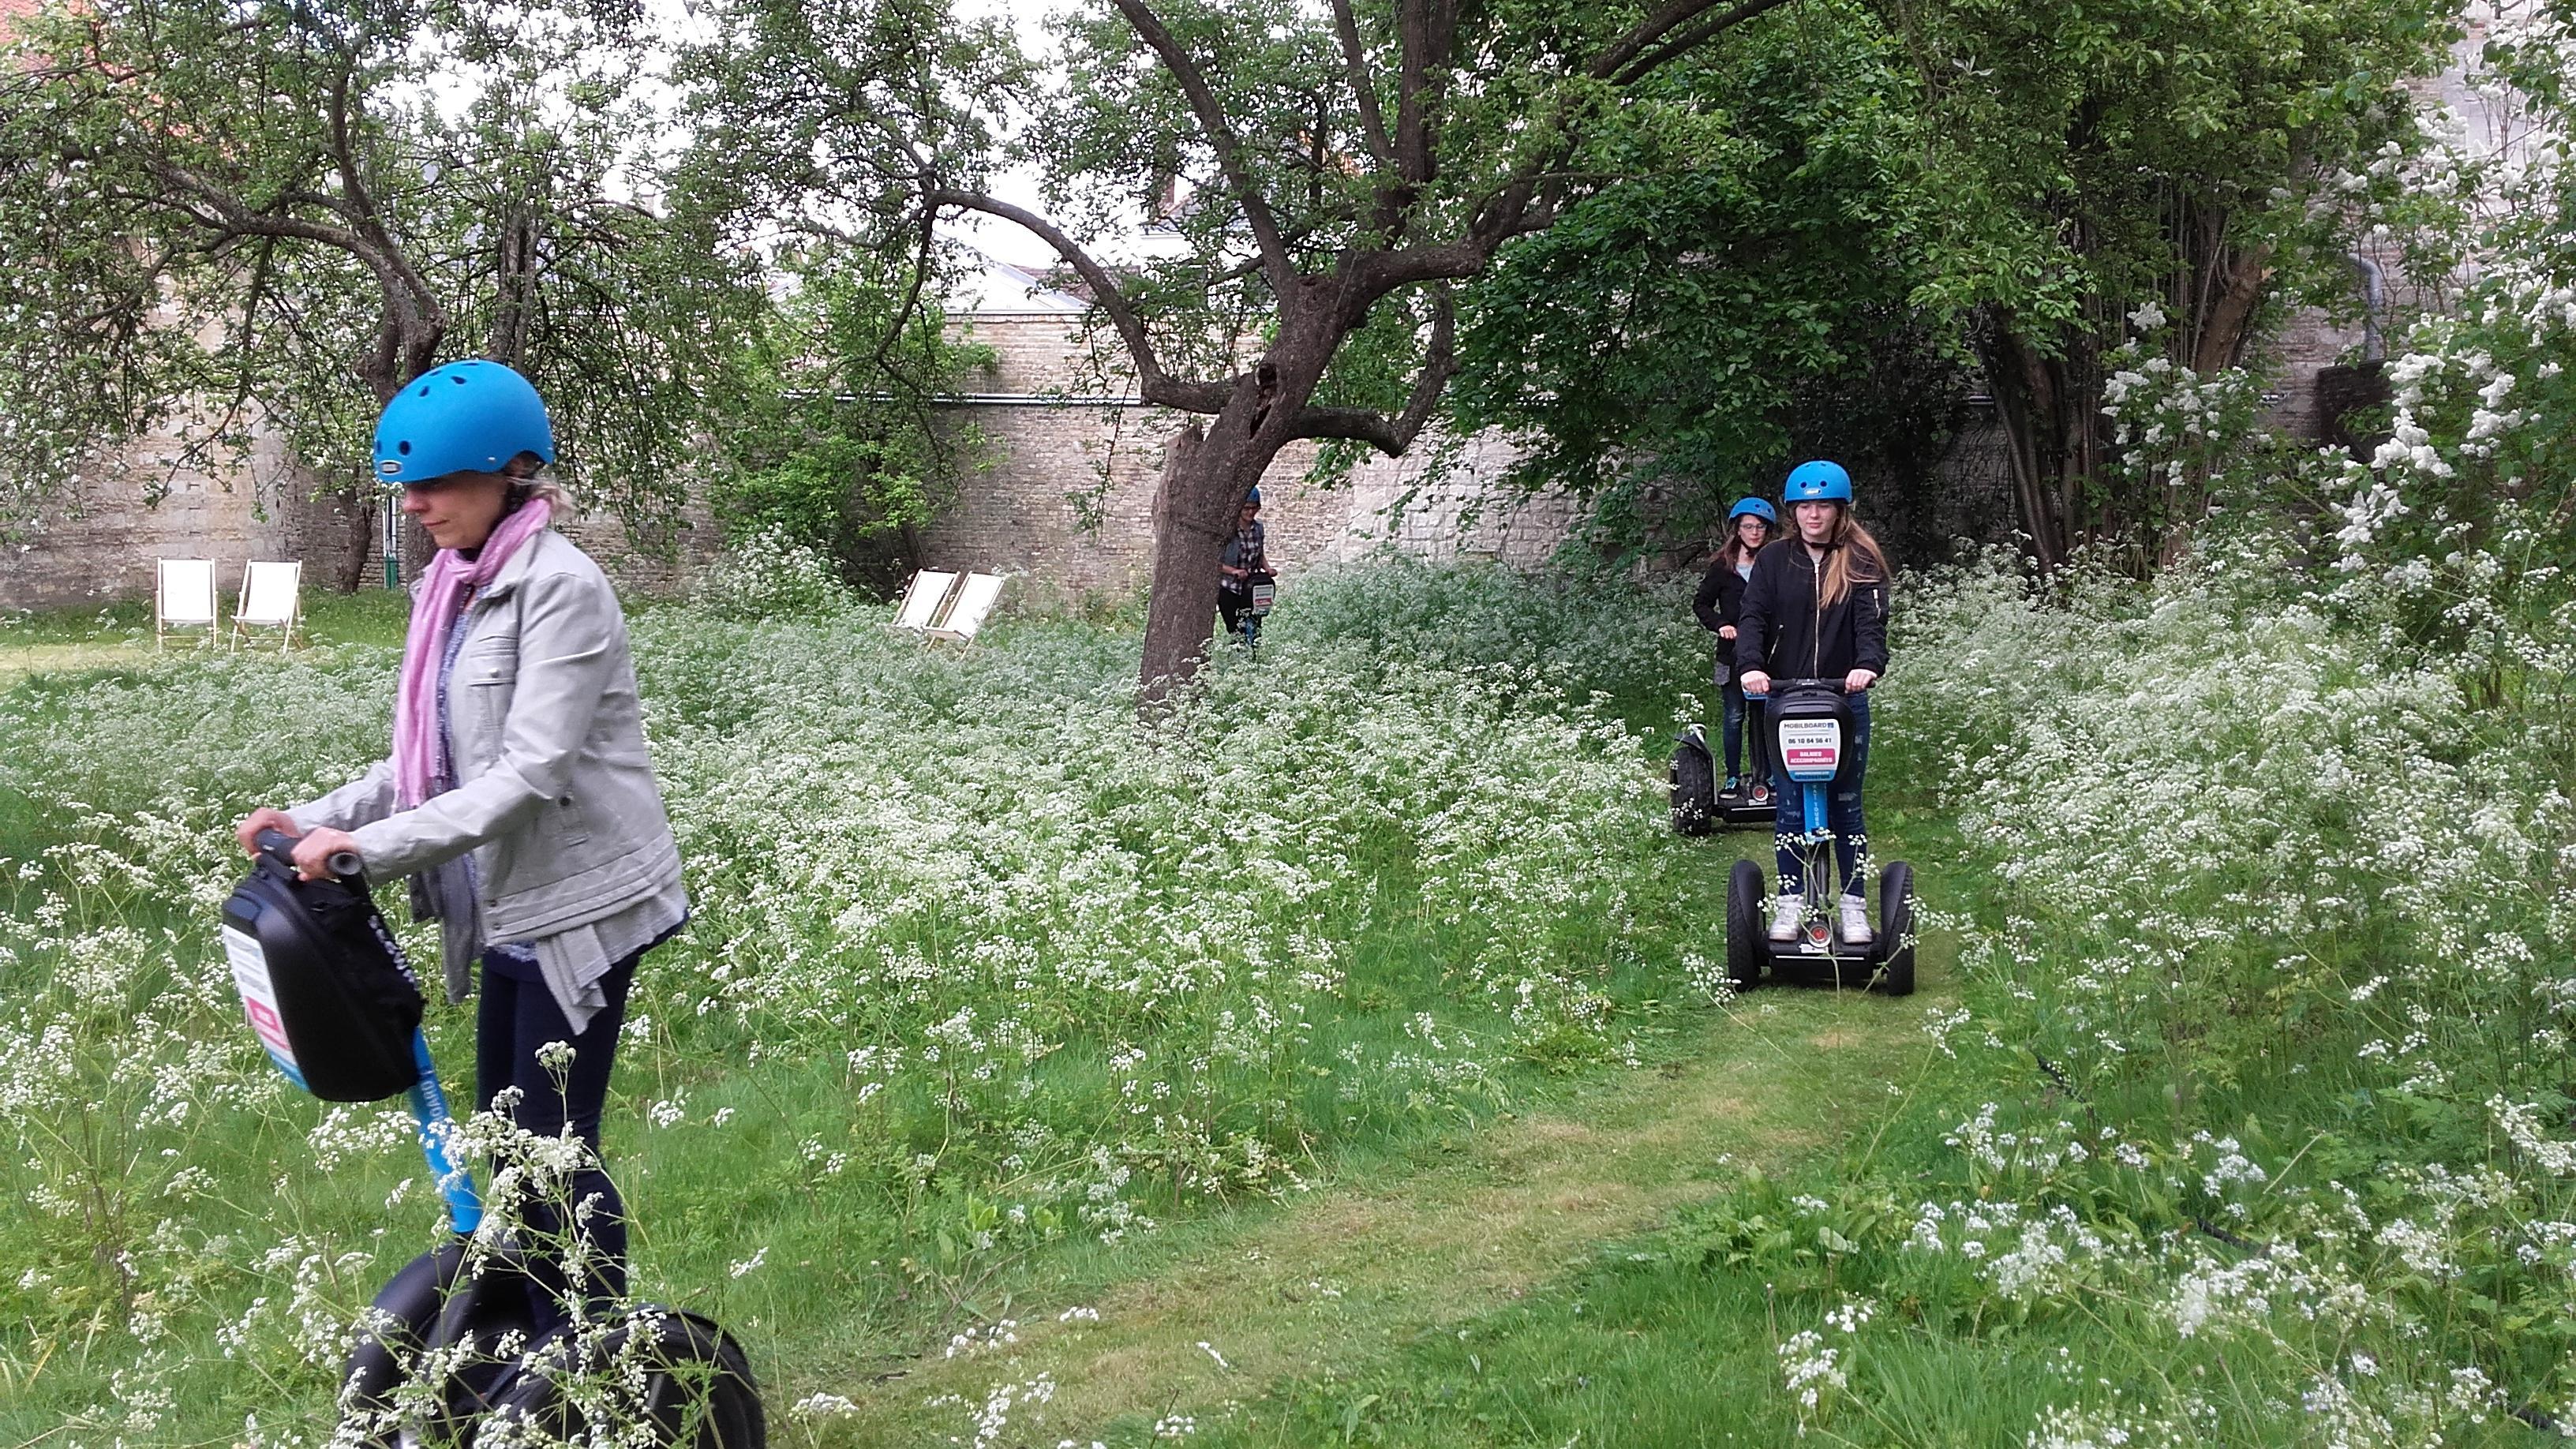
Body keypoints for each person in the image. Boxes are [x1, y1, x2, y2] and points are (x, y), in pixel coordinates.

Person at [233, 359, 684, 1342]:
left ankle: (588, 1365)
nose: (417, 505)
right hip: (510, 900)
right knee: (507, 1135)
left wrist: (367, 852)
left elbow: (526, 775)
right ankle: (527, 1340)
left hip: (584, 903)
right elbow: (430, 756)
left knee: (552, 1145)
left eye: (436, 484)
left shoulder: (560, 589)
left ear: (513, 473)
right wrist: (316, 818)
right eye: (408, 487)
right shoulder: (455, 587)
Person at [1735, 459, 1890, 947]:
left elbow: (1872, 625)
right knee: (1789, 807)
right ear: (1793, 511)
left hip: (1844, 698)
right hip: (1785, 697)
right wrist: (1751, 667)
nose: (1813, 515)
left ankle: (1853, 906)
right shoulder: (1775, 560)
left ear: (1841, 510)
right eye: (1805, 506)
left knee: (1846, 805)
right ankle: (1790, 902)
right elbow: (1753, 617)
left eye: (1823, 505)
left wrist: (1867, 666)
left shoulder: (1862, 560)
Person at [1692, 497, 1779, 803]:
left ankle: (1767, 776)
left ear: (1767, 531)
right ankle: (1731, 776)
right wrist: (1720, 625)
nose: (1755, 532)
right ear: (1738, 529)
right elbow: (1701, 603)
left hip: (1767, 653)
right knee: (1734, 716)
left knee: (1765, 715)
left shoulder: (1774, 564)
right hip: (1730, 654)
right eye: (1748, 526)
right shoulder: (1723, 567)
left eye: (1760, 527)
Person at [1217, 486, 1273, 646]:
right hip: (1230, 588)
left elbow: (1259, 552)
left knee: (1255, 629)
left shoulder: (1258, 528)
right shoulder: (1228, 531)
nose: (1250, 512)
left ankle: (1253, 660)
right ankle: (1239, 661)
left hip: (1252, 588)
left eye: (1254, 508)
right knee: (1236, 630)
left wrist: (1267, 568)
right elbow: (1215, 563)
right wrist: (1234, 571)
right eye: (1246, 508)